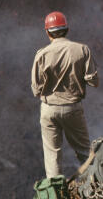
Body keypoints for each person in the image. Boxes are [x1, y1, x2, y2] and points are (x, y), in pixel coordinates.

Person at [31, 11, 99, 178]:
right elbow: (93, 81)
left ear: (47, 32)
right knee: (85, 152)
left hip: (49, 109)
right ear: (67, 30)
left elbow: (36, 89)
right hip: (73, 108)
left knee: (52, 156)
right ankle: (95, 188)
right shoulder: (82, 50)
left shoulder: (41, 54)